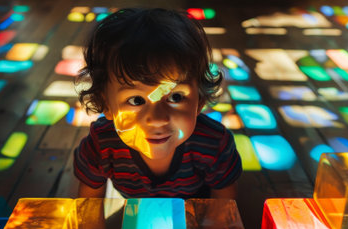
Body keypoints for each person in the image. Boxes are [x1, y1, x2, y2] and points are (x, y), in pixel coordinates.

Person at [73, 8, 242, 199]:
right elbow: (86, 213)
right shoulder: (101, 146)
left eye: (176, 97)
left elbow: (223, 214)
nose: (157, 119)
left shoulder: (214, 144)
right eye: (136, 100)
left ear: (200, 100)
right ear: (106, 105)